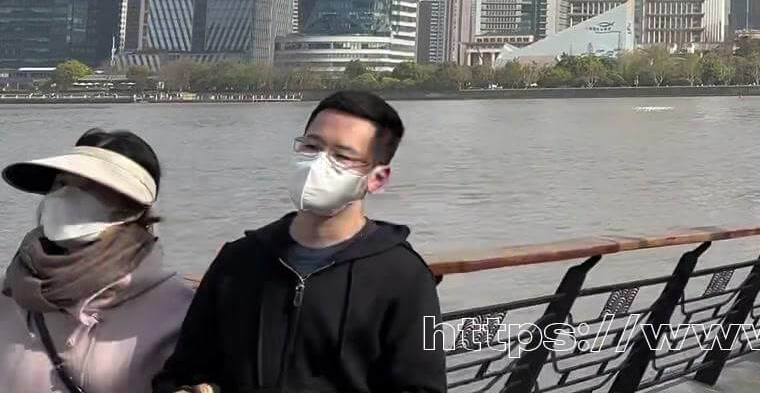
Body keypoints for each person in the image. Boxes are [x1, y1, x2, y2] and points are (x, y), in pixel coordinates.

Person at [152, 90, 445, 393]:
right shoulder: (238, 261)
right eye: (311, 146)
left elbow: (425, 387)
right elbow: (182, 370)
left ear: (377, 178)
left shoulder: (407, 277)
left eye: (341, 156)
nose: (318, 163)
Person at [2, 129, 193, 393]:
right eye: (61, 183)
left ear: (133, 208)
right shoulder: (9, 294)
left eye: (90, 187)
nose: (66, 196)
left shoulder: (180, 311)